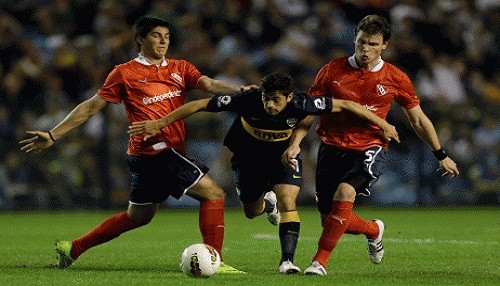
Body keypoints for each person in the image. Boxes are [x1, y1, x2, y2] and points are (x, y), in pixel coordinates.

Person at [18, 14, 246, 274]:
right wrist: (54, 134)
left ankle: (73, 248)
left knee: (138, 217)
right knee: (213, 193)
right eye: (156, 36)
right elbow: (92, 106)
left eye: (167, 36)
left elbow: (209, 84)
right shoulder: (125, 72)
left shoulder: (180, 68)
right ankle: (216, 259)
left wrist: (239, 92)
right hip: (155, 151)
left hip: (149, 155)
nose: (163, 41)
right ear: (140, 39)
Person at [128, 72, 400, 274]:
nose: (270, 105)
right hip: (248, 160)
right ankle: (266, 204)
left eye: (276, 100)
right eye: (267, 99)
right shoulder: (248, 99)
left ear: (289, 98)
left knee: (288, 200)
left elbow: (347, 105)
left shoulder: (302, 104)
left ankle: (287, 261)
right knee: (250, 210)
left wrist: (382, 124)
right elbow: (200, 104)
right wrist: (161, 123)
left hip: (282, 159)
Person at [282, 14, 461, 276]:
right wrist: (296, 143)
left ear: (384, 45)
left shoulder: (395, 78)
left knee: (345, 193)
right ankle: (374, 230)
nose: (366, 49)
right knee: (330, 220)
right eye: (361, 42)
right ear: (355, 40)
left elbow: (419, 120)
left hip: (369, 147)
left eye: (373, 44)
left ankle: (318, 262)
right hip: (331, 147)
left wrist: (441, 154)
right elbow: (310, 111)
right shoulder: (332, 71)